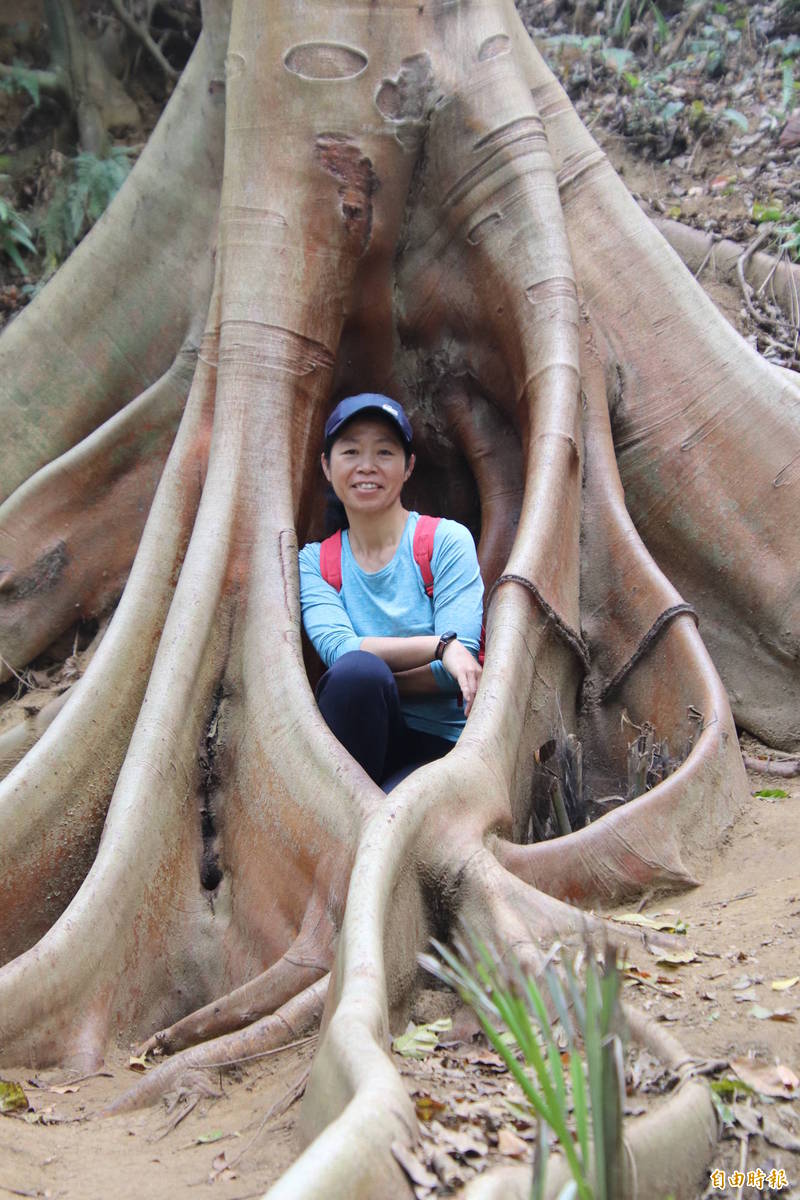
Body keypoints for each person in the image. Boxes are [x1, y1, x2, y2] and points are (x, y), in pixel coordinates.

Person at [299, 393, 484, 789]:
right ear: (327, 466)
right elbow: (340, 652)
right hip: (355, 738)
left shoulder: (445, 542)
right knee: (356, 674)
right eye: (351, 451)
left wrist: (387, 676)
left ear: (409, 466)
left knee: (360, 674)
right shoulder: (315, 562)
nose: (367, 466)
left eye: (384, 452)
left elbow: (458, 671)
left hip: (441, 747)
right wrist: (440, 647)